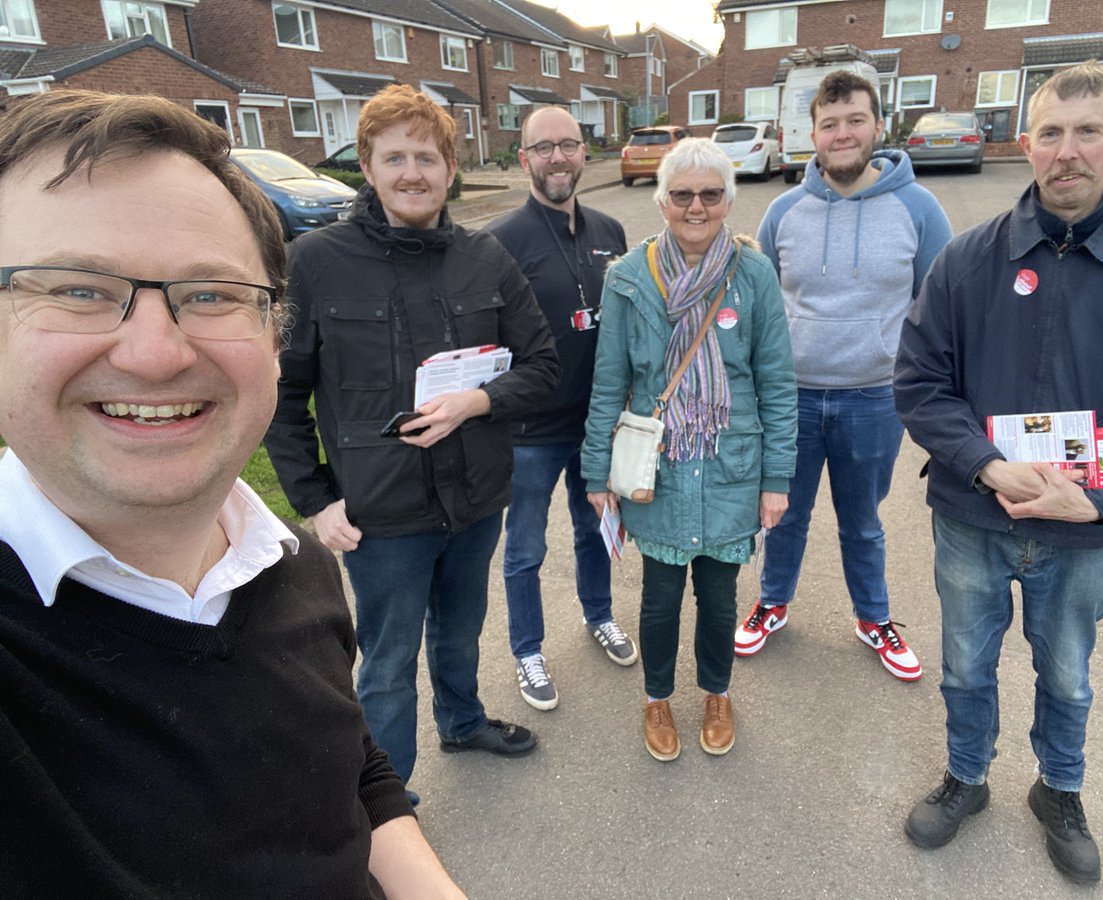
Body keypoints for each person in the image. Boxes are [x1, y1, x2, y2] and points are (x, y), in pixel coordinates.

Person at [0, 90, 462, 896]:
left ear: (269, 335)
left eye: (212, 294)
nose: (155, 353)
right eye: (76, 289)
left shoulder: (294, 569)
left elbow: (350, 767)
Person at [894, 62, 1103, 885]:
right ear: (1026, 145)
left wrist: (1100, 495)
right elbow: (920, 381)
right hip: (972, 515)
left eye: (1088, 131)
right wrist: (987, 465)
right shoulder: (966, 261)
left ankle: (1059, 789)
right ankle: (968, 775)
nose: (1068, 153)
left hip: (1082, 529)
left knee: (1066, 672)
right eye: (1052, 135)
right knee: (965, 664)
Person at [264, 86, 558, 795]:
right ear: (366, 166)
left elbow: (545, 365)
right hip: (382, 515)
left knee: (460, 634)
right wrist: (316, 499)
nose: (411, 173)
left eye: (426, 156)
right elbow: (277, 392)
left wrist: (477, 401)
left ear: (450, 167)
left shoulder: (485, 258)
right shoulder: (315, 261)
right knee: (388, 665)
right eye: (393, 157)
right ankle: (389, 809)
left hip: (477, 501)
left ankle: (461, 723)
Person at [581, 138, 797, 762]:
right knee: (659, 596)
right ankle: (656, 699)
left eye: (710, 194)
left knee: (722, 596)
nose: (696, 207)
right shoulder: (627, 278)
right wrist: (598, 472)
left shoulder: (753, 274)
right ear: (662, 200)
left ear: (728, 199)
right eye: (682, 194)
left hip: (733, 464)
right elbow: (608, 383)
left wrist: (776, 479)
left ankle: (716, 692)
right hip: (661, 468)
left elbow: (778, 385)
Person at [733, 70, 952, 680]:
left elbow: (941, 305)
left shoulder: (918, 207)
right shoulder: (784, 210)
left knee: (863, 521)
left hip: (875, 399)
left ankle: (873, 617)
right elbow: (761, 301)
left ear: (878, 126)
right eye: (829, 124)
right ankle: (773, 603)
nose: (843, 133)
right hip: (792, 400)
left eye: (855, 120)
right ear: (813, 135)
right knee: (784, 514)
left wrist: (920, 380)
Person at [485, 107, 633, 711]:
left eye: (568, 145)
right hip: (529, 431)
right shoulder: (498, 240)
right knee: (524, 549)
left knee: (594, 530)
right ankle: (527, 651)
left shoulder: (611, 231)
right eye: (542, 148)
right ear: (524, 160)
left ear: (584, 153)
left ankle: (598, 614)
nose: (557, 158)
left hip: (596, 423)